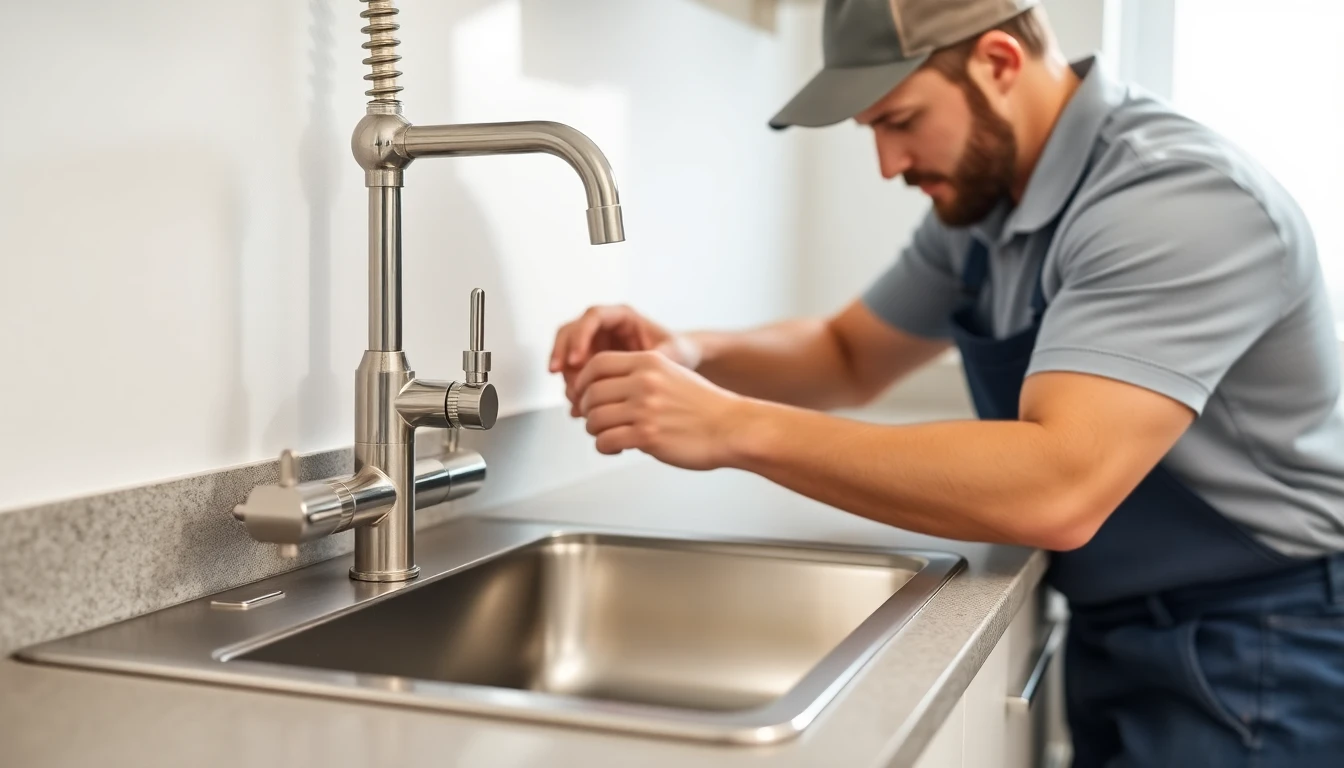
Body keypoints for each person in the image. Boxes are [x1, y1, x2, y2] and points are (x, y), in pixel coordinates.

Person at [547, 0, 1344, 764]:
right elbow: (847, 354)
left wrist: (734, 428)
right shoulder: (988, 207)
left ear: (999, 61)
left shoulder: (1172, 200)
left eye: (899, 121)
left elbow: (1059, 486)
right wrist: (688, 350)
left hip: (1262, 639)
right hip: (1128, 621)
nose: (889, 163)